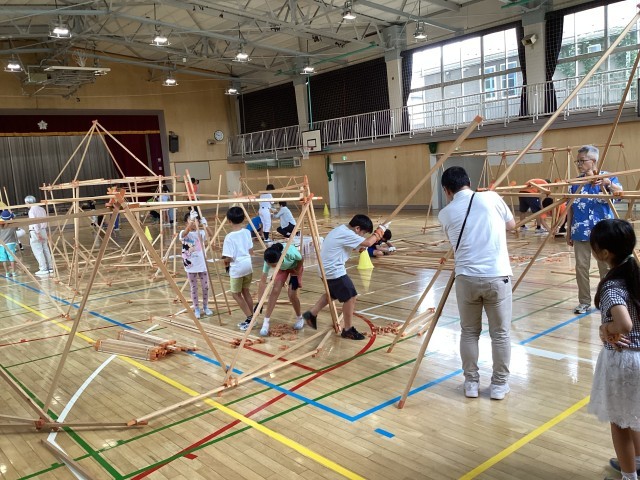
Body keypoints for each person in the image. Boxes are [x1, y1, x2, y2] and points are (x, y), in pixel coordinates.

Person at [438, 166, 515, 400]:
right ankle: (499, 385)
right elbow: (511, 225)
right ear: (469, 182)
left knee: (469, 332)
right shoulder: (491, 197)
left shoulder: (445, 214)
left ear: (446, 190)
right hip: (497, 276)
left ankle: (471, 383)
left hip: (466, 279)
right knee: (500, 334)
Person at [587, 219, 640, 480]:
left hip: (625, 359)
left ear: (604, 253)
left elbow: (624, 324)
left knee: (620, 422)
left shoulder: (611, 286)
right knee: (635, 416)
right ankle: (637, 462)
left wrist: (606, 328)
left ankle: (629, 476)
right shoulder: (636, 275)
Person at [302, 214, 384, 340]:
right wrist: (380, 230)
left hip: (325, 269)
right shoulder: (346, 233)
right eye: (363, 233)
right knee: (351, 297)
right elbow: (368, 243)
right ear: (357, 228)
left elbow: (359, 246)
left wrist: (366, 244)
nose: (362, 236)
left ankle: (311, 314)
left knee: (332, 294)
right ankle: (348, 330)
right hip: (333, 270)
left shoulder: (341, 230)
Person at [567, 145, 623, 315]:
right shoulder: (575, 183)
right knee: (581, 267)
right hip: (580, 231)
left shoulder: (608, 178)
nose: (579, 164)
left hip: (603, 233)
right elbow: (570, 208)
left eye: (582, 161)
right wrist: (568, 231)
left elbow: (620, 193)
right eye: (577, 161)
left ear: (593, 161)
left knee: (605, 268)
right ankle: (584, 302)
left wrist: (608, 184)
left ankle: (607, 301)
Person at [256, 243, 305, 336]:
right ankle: (266, 322)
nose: (271, 267)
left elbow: (301, 258)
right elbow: (262, 281)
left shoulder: (290, 252)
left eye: (273, 265)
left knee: (292, 294)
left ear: (280, 260)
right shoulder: (268, 260)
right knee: (275, 290)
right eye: (270, 265)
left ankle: (300, 318)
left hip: (295, 267)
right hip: (282, 269)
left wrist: (297, 271)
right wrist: (259, 303)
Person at [222, 207, 254, 330]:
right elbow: (250, 250)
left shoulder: (229, 237)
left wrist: (223, 261)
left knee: (235, 294)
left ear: (229, 221)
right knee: (246, 291)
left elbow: (228, 258)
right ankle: (251, 317)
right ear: (243, 218)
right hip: (248, 265)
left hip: (238, 267)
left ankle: (250, 318)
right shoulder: (247, 232)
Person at [179, 211, 211, 319]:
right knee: (194, 287)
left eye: (196, 220)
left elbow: (210, 234)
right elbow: (185, 233)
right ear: (186, 222)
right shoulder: (184, 233)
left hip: (202, 264)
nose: (194, 222)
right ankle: (196, 308)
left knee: (205, 287)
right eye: (191, 220)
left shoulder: (201, 232)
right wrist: (191, 221)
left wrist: (205, 224)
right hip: (191, 265)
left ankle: (205, 306)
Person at [25, 195, 54, 276]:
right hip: (43, 230)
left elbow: (34, 222)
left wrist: (37, 233)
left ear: (28, 202)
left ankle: (43, 268)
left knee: (38, 250)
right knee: (45, 249)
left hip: (35, 231)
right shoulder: (42, 209)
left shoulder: (32, 211)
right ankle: (50, 267)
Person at [0, 210, 18, 277]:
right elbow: (17, 227)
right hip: (10, 243)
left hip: (1, 244)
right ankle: (14, 272)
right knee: (12, 258)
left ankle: (7, 273)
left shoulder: (0, 225)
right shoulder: (12, 225)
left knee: (4, 259)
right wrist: (12, 217)